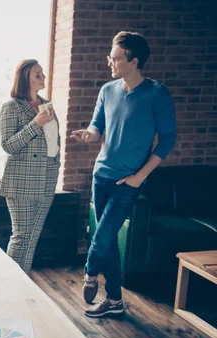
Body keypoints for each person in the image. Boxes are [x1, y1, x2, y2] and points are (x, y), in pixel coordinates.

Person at [71, 31, 176, 318]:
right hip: (101, 175)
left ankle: (90, 274)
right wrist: (88, 135)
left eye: (116, 58)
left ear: (134, 61)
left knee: (102, 238)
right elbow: (97, 127)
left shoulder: (157, 93)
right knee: (107, 240)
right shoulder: (107, 90)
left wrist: (140, 176)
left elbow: (167, 139)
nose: (111, 62)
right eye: (111, 57)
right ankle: (115, 301)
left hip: (128, 181)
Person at [0, 59, 60, 274]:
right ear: (25, 78)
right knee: (21, 236)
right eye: (37, 74)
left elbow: (53, 142)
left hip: (47, 178)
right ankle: (10, 283)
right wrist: (34, 125)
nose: (43, 77)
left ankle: (24, 284)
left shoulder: (46, 104)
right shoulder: (11, 107)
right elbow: (8, 145)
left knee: (33, 236)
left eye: (42, 73)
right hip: (22, 180)